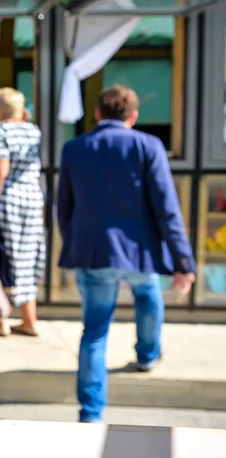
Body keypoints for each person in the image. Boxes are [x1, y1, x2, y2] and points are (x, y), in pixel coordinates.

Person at [57, 84, 196, 424]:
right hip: (139, 252)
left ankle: (91, 413)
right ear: (133, 116)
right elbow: (167, 208)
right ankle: (147, 355)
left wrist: (76, 244)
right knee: (148, 295)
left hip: (94, 252)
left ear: (97, 114)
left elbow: (64, 208)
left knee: (94, 330)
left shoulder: (74, 148)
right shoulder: (148, 146)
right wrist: (183, 261)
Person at [0, 87, 45, 337]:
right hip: (32, 201)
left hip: (5, 203)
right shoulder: (32, 130)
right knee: (25, 261)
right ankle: (29, 319)